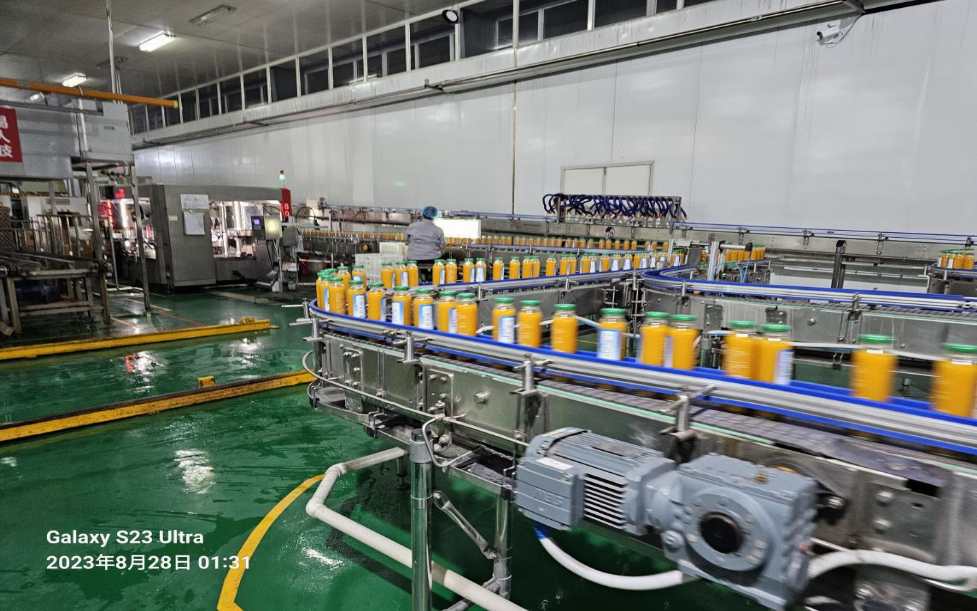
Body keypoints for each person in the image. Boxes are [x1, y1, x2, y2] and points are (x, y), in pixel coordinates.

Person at [405, 206, 446, 281]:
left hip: (413, 258)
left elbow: (406, 242)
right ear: (435, 216)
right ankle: (432, 279)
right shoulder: (438, 230)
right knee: (440, 259)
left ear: (422, 214)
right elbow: (442, 246)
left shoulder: (412, 226)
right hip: (432, 259)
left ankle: (419, 278)